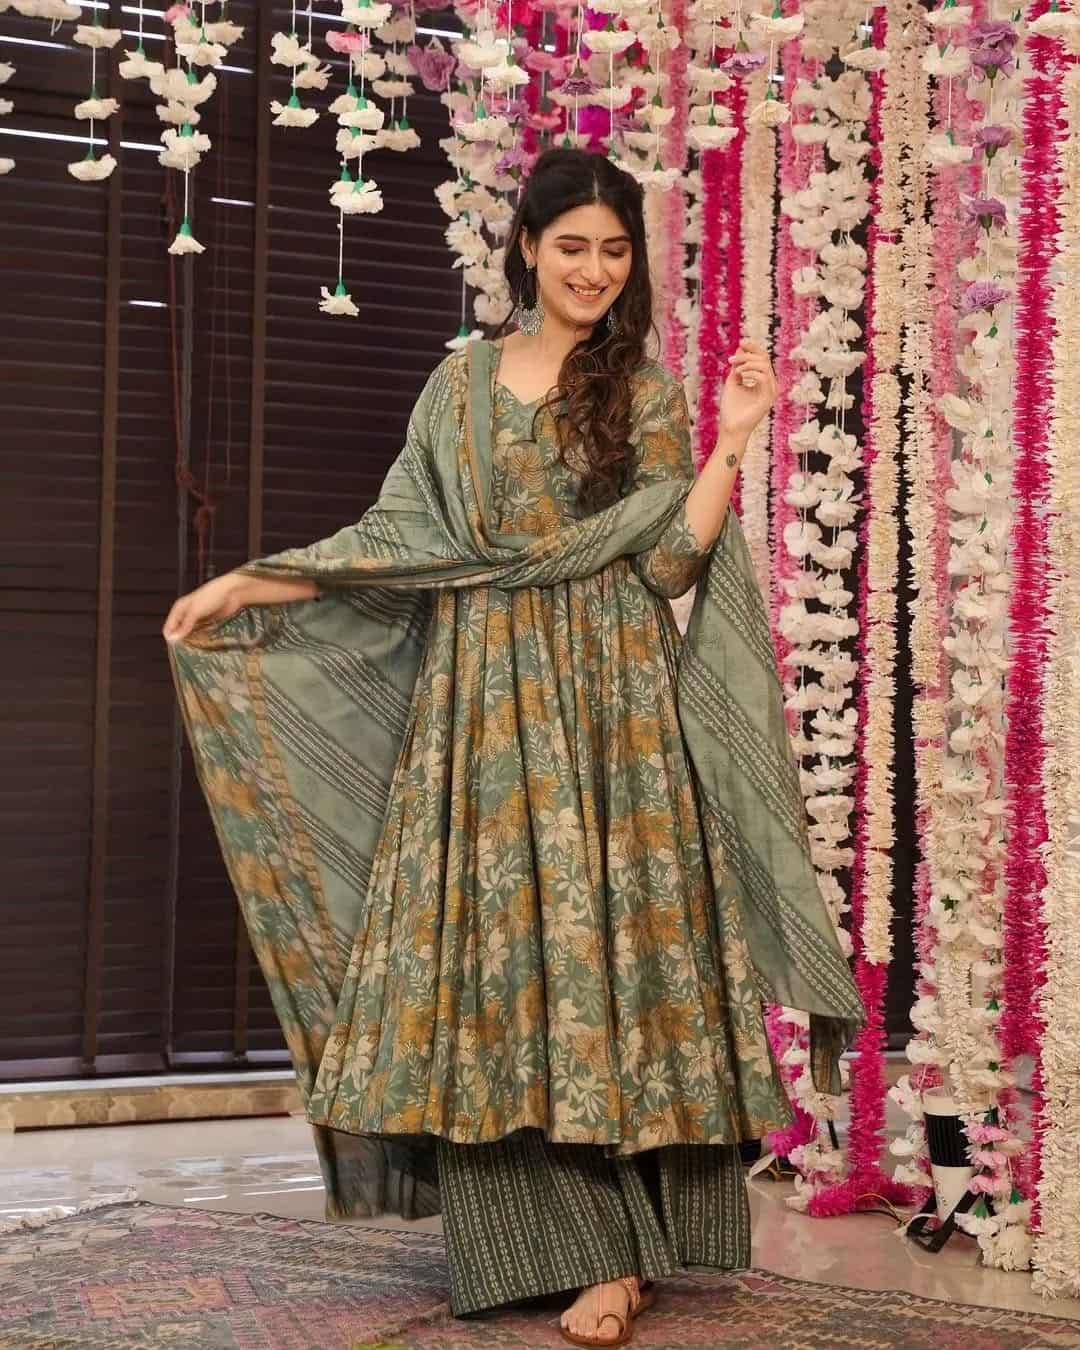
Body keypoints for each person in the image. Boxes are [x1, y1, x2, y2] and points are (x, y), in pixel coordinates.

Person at [164, 148, 861, 1348]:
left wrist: (733, 443)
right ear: (528, 249)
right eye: (573, 244)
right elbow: (399, 536)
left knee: (612, 968)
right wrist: (248, 582)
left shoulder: (641, 388)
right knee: (498, 972)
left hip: (613, 712)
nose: (594, 268)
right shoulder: (460, 387)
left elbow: (670, 563)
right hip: (481, 710)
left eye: (615, 247)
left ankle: (628, 1252)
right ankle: (550, 1245)